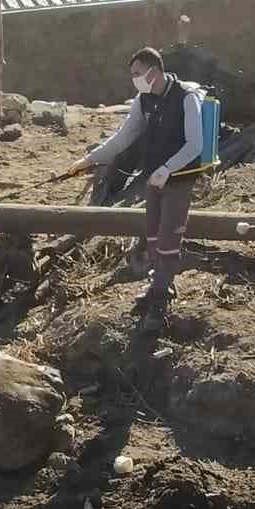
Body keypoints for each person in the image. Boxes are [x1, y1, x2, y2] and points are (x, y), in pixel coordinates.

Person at [71, 48, 203, 328]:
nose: (134, 80)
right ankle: (158, 285)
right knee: (153, 234)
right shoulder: (144, 101)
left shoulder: (186, 98)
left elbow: (195, 145)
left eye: (137, 74)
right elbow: (124, 137)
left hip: (178, 179)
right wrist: (88, 160)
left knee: (169, 237)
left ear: (153, 71)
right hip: (153, 178)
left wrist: (168, 169)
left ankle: (161, 297)